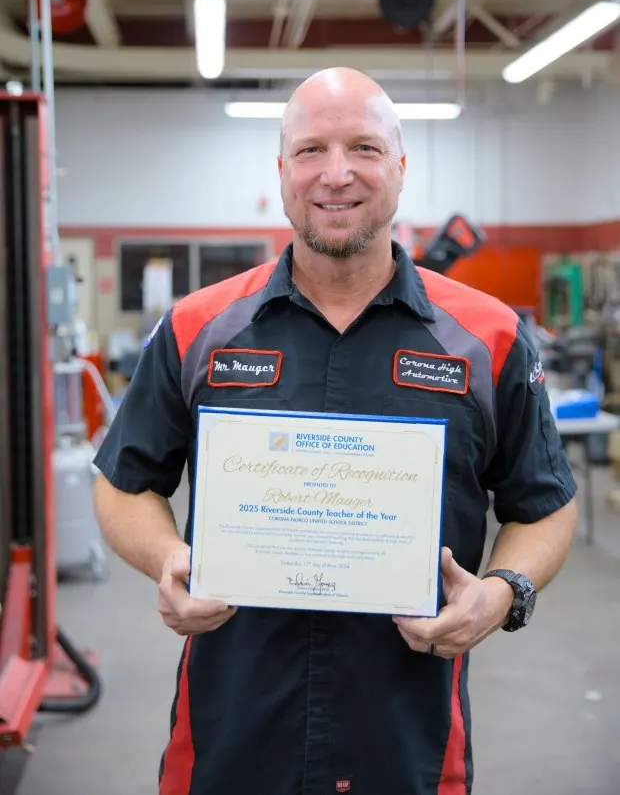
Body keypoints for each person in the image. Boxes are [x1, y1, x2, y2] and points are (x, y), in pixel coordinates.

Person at [93, 67, 578, 795]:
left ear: (402, 168)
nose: (337, 174)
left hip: (408, 740)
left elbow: (545, 506)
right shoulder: (199, 327)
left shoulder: (490, 338)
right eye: (312, 150)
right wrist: (168, 558)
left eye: (365, 148)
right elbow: (123, 486)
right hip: (230, 736)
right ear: (282, 169)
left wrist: (503, 592)